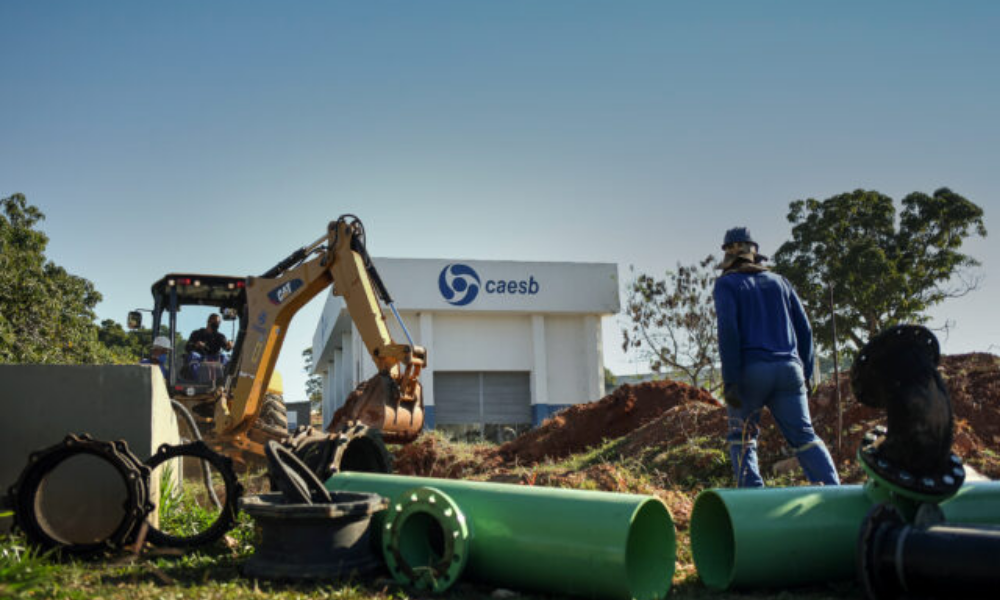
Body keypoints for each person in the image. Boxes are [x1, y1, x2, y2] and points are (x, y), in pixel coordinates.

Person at [713, 226, 840, 487]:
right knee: (805, 437)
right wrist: (807, 372)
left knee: (743, 437)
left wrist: (731, 382)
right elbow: (805, 329)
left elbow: (729, 332)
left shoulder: (726, 284)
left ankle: (754, 501)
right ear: (755, 253)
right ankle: (834, 491)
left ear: (727, 256)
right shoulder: (780, 282)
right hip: (789, 371)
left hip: (751, 372)